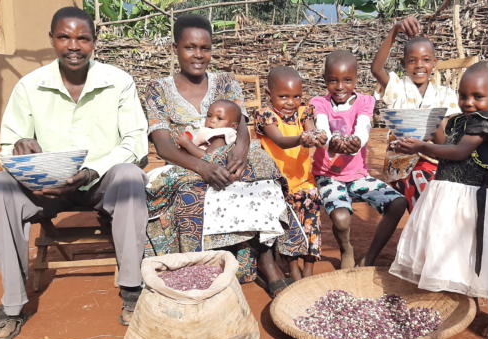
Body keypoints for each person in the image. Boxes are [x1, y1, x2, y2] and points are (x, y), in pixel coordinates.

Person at [0, 7, 149, 339]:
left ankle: (132, 290)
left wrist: (92, 171)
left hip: (102, 182)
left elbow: (135, 140)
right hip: (45, 187)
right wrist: (20, 148)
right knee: (0, 186)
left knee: (130, 175)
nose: (74, 45)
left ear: (95, 41)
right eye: (64, 37)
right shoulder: (29, 86)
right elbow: (7, 144)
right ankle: (13, 304)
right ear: (52, 39)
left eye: (83, 38)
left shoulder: (118, 82)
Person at [144, 14, 300, 298]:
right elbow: (164, 146)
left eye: (205, 48)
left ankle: (265, 260)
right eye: (190, 47)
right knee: (195, 189)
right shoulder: (159, 89)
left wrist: (241, 151)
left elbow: (241, 126)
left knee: (262, 172)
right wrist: (203, 167)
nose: (198, 55)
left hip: (231, 152)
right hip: (187, 160)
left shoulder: (226, 81)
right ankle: (203, 268)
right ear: (174, 49)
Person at [389, 61, 488, 337]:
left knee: (483, 252)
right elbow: (444, 147)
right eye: (463, 95)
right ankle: (457, 301)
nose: (468, 102)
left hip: (475, 201)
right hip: (447, 195)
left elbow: (459, 152)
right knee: (450, 249)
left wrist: (421, 145)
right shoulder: (459, 120)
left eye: (477, 97)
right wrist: (424, 130)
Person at [311, 50, 408, 269]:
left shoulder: (365, 101)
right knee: (342, 219)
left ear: (356, 79)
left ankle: (370, 256)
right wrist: (332, 143)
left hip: (358, 176)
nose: (340, 86)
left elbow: (364, 128)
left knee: (398, 202)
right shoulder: (319, 103)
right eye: (333, 80)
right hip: (328, 176)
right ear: (325, 79)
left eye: (347, 80)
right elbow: (322, 129)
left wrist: (357, 143)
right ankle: (346, 248)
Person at [371, 17, 462, 212]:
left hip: (436, 161)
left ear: (435, 63)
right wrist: (395, 30)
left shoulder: (445, 94)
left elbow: (445, 140)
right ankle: (424, 234)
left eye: (426, 60)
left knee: (450, 192)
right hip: (401, 164)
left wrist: (435, 130)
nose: (419, 65)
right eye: (412, 61)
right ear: (404, 64)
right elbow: (376, 69)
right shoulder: (398, 87)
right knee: (423, 187)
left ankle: (435, 235)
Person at [255, 66, 327, 280]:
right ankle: (294, 270)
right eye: (283, 96)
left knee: (312, 224)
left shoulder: (305, 112)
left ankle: (309, 270)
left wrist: (318, 138)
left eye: (296, 96)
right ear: (269, 95)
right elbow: (279, 140)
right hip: (279, 185)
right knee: (291, 228)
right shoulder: (265, 116)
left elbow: (311, 129)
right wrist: (301, 138)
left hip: (305, 181)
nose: (291, 102)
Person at [175, 100, 240, 158]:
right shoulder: (208, 133)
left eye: (219, 118)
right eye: (209, 116)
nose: (212, 120)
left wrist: (188, 144)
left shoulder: (220, 139)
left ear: (233, 126)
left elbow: (207, 157)